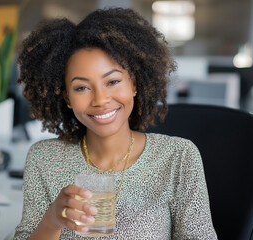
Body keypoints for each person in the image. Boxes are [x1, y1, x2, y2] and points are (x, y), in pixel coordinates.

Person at [14, 8, 217, 240]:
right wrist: (52, 220)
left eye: (112, 81)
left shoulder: (178, 157)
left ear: (134, 84)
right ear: (67, 98)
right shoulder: (44, 159)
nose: (100, 100)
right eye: (81, 87)